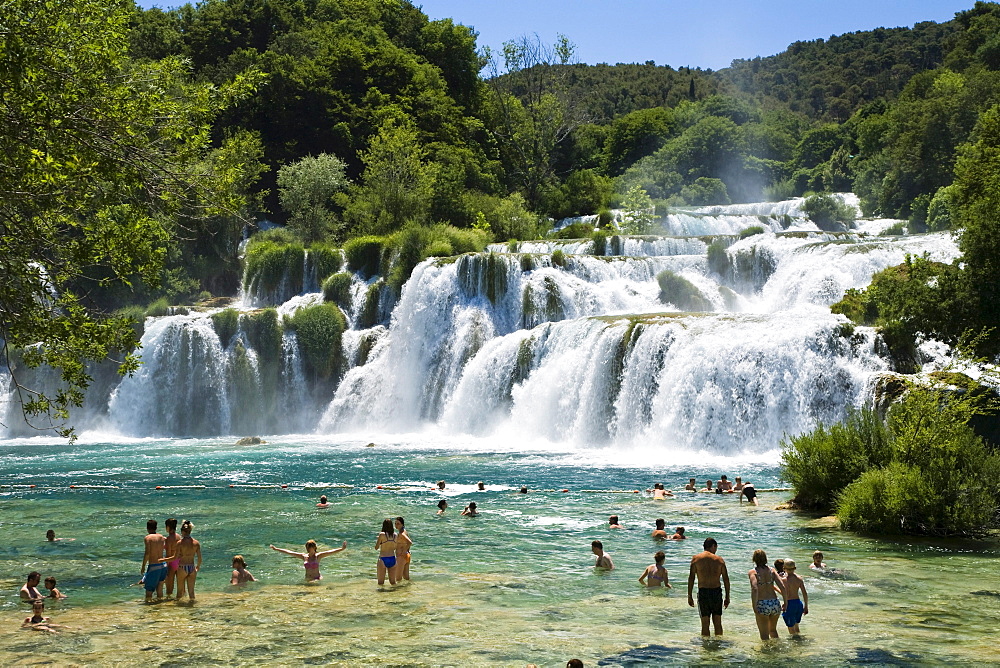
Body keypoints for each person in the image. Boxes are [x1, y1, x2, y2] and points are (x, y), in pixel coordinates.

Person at [687, 537, 731, 637]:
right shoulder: (719, 560)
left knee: (705, 624)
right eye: (716, 548)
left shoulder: (696, 559)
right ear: (713, 546)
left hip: (703, 592)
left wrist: (689, 595)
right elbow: (726, 579)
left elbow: (691, 578)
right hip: (716, 592)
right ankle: (718, 645)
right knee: (718, 623)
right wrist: (727, 597)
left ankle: (706, 649)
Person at [749, 549, 786, 640]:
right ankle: (777, 649)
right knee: (773, 630)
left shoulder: (753, 572)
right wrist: (786, 602)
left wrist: (754, 606)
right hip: (774, 603)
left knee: (764, 635)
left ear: (754, 559)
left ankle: (766, 653)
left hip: (762, 603)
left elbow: (754, 588)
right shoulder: (772, 570)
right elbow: (782, 587)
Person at [270, 539, 347, 581]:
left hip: (317, 579)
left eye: (312, 548)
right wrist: (276, 549)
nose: (310, 550)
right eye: (309, 548)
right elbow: (290, 552)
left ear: (315, 548)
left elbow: (331, 552)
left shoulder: (319, 556)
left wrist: (342, 549)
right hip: (307, 579)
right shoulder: (304, 556)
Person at [140, 519, 167, 602]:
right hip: (163, 565)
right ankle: (160, 608)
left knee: (149, 591)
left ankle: (149, 610)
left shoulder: (148, 538)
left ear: (147, 528)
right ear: (156, 527)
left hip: (154, 566)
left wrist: (143, 566)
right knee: (159, 590)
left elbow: (147, 553)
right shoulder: (162, 537)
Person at [176, 520, 203, 601]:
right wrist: (197, 566)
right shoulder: (196, 543)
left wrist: (163, 560)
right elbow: (199, 558)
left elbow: (175, 557)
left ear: (182, 531)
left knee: (179, 592)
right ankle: (192, 609)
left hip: (182, 567)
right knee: (191, 593)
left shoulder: (179, 543)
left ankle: (176, 610)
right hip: (192, 567)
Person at [780, 559, 808, 635]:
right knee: (796, 625)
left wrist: (785, 604)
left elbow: (785, 593)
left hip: (789, 604)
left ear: (784, 568)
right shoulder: (799, 579)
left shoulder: (784, 580)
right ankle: (799, 638)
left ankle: (795, 642)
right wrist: (806, 606)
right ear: (795, 568)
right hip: (798, 604)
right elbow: (805, 593)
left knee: (790, 627)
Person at [375, 518, 399, 585]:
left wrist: (379, 541)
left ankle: (381, 595)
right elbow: (395, 548)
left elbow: (376, 548)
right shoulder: (395, 535)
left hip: (383, 558)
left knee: (380, 583)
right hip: (392, 558)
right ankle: (397, 594)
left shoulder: (382, 534)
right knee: (393, 582)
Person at [164, 518, 181, 598]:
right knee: (180, 584)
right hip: (180, 561)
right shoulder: (179, 537)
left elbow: (168, 554)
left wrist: (166, 566)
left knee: (169, 586)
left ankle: (168, 600)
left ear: (168, 527)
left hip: (172, 562)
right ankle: (180, 599)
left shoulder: (168, 539)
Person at [394, 517, 412, 581]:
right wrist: (406, 551)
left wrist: (404, 551)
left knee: (398, 578)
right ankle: (409, 590)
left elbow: (409, 542)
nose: (396, 525)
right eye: (395, 523)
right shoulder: (405, 531)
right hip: (406, 556)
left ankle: (397, 591)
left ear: (402, 524)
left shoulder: (402, 533)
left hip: (401, 557)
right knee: (406, 578)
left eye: (398, 524)